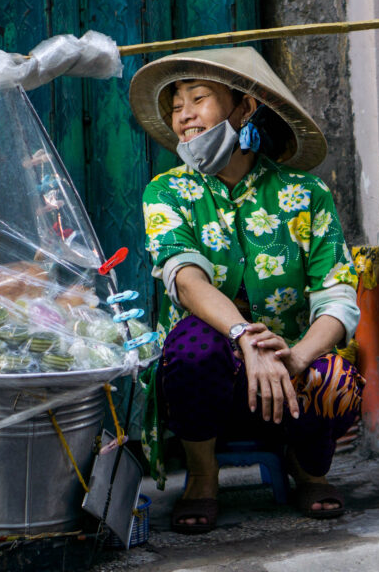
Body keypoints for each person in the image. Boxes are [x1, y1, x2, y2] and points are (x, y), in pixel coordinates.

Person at [128, 47, 364, 533]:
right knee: (194, 343)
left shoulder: (307, 194)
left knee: (337, 378)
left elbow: (337, 297)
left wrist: (294, 359)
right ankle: (202, 476)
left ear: (245, 107)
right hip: (210, 376)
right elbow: (186, 281)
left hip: (289, 376)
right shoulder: (167, 192)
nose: (184, 115)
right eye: (176, 105)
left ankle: (309, 468)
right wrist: (243, 338)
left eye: (199, 99)